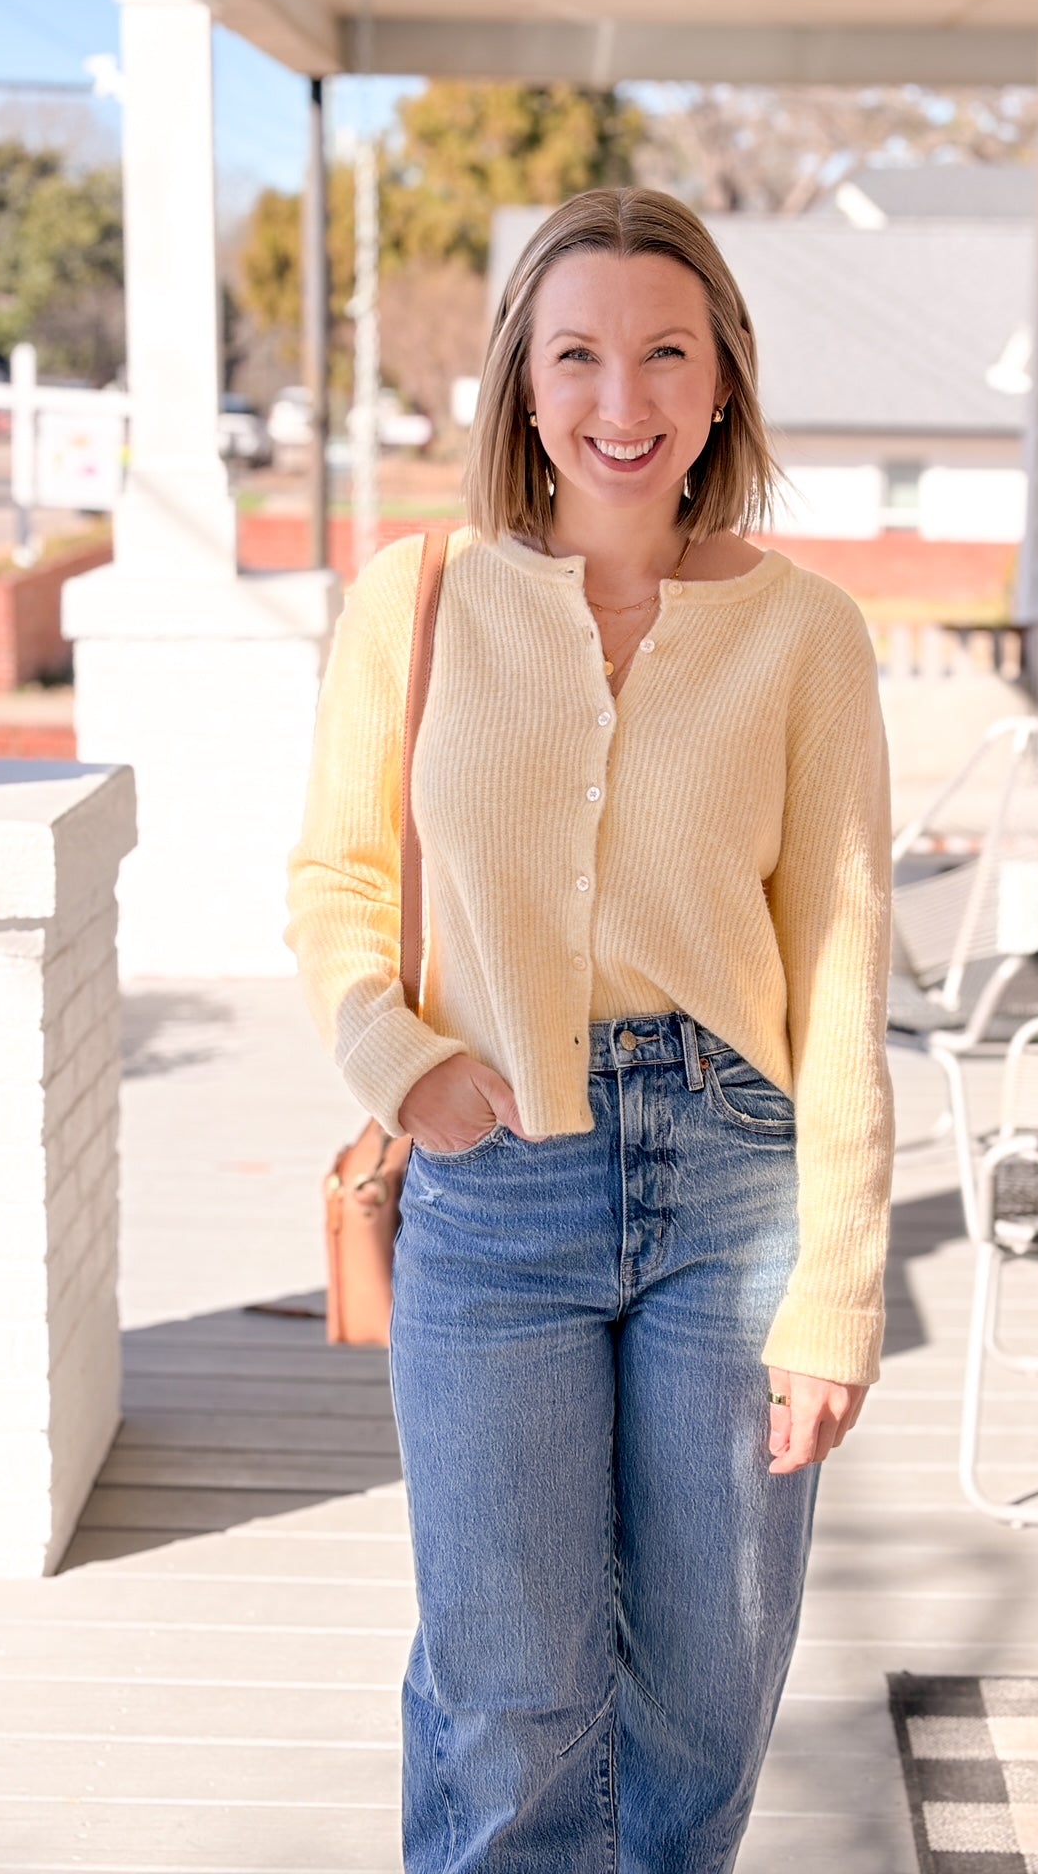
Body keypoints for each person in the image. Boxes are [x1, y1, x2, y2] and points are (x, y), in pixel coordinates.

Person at [286, 187, 894, 1873]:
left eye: (662, 356)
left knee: (705, 1693)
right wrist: (404, 1067)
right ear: (522, 384)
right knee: (508, 1692)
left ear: (721, 385)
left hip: (738, 1193)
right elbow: (338, 884)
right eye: (578, 356)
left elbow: (843, 968)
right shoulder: (417, 600)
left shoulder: (808, 637)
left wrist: (841, 1284)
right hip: (497, 1184)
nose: (620, 402)